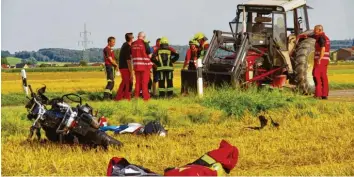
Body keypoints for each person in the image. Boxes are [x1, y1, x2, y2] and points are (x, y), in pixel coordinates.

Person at [309, 25, 331, 99]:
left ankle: (318, 94)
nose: (314, 31)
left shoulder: (321, 38)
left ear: (319, 30)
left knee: (316, 76)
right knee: (323, 77)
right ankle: (324, 95)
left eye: (315, 30)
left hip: (320, 60)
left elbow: (323, 49)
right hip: (325, 60)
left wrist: (319, 58)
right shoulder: (326, 38)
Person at [131, 32, 153, 101]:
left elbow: (131, 55)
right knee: (144, 83)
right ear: (144, 37)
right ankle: (146, 98)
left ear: (138, 36)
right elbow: (149, 55)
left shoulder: (133, 44)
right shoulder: (145, 44)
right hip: (145, 66)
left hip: (136, 66)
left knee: (137, 82)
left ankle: (136, 97)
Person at [115, 33, 134, 101]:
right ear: (131, 38)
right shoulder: (128, 47)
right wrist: (131, 72)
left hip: (122, 67)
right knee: (127, 83)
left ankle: (122, 98)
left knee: (125, 82)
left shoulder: (124, 45)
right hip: (125, 68)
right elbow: (128, 61)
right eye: (133, 37)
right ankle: (122, 98)